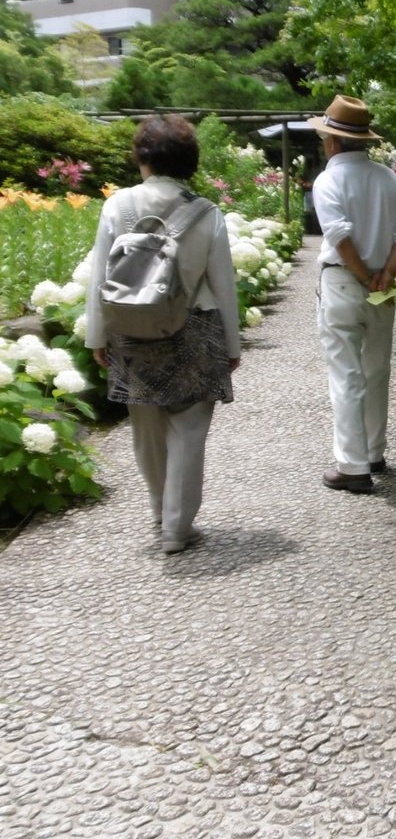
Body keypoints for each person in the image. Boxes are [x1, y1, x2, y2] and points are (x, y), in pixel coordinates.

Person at [84, 115, 241, 554]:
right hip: (196, 328)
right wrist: (232, 345)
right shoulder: (207, 213)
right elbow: (223, 284)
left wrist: (97, 336)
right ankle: (177, 526)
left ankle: (159, 510)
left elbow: (101, 277)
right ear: (189, 161)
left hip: (132, 329)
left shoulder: (117, 206)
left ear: (143, 157)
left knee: (146, 429)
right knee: (189, 431)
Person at [310, 94, 396, 493]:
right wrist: (386, 273)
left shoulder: (328, 180)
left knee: (345, 374)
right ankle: (374, 451)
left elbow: (337, 234)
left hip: (342, 281)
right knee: (376, 370)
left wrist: (362, 275)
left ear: (332, 141)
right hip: (382, 287)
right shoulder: (390, 179)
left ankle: (353, 467)